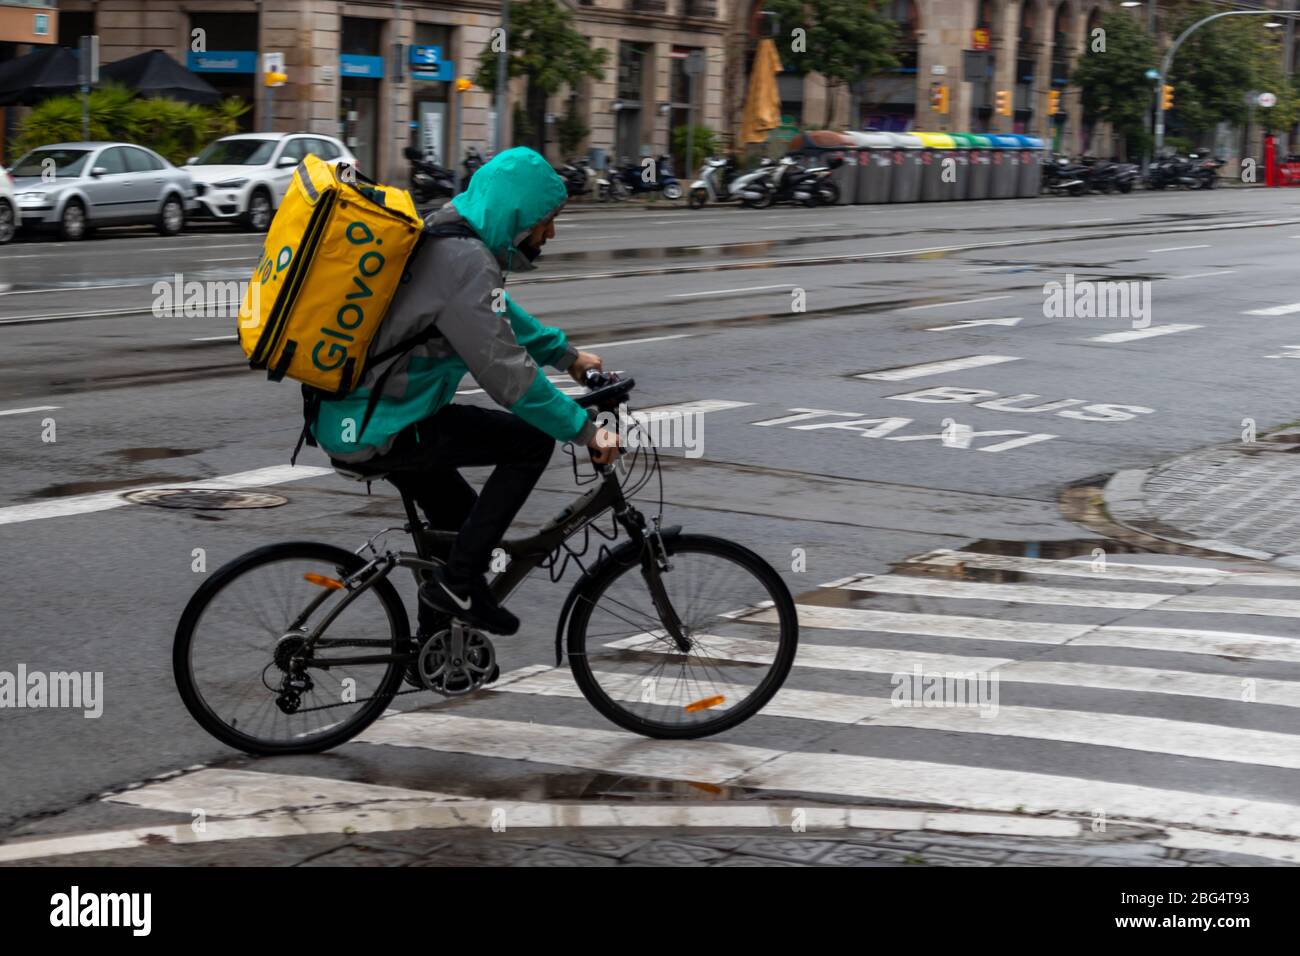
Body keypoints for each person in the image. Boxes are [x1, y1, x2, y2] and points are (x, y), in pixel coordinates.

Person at [312, 146, 618, 636]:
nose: (551, 233)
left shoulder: (451, 231)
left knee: (462, 527)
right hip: (386, 424)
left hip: (367, 416)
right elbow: (506, 374)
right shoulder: (466, 259)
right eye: (548, 220)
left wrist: (566, 357)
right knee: (530, 441)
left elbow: (497, 313)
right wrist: (584, 432)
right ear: (518, 214)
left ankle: (434, 647)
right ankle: (457, 584)